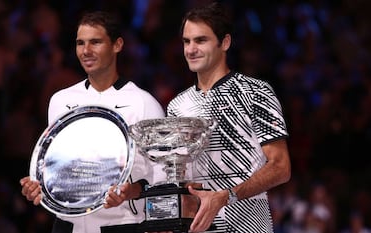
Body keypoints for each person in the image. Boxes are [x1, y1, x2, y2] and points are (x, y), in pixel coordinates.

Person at [20, 11, 165, 233]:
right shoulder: (60, 100)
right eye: (80, 43)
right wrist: (39, 185)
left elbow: (161, 177)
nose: (86, 51)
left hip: (122, 224)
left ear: (117, 45)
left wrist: (131, 191)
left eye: (95, 42)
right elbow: (58, 166)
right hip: (67, 225)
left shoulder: (144, 103)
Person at [166, 2, 291, 232]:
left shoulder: (255, 92)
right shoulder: (177, 106)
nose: (190, 49)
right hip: (200, 226)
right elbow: (182, 176)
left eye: (200, 40)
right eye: (186, 41)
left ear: (225, 42)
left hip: (249, 225)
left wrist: (226, 196)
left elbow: (281, 167)